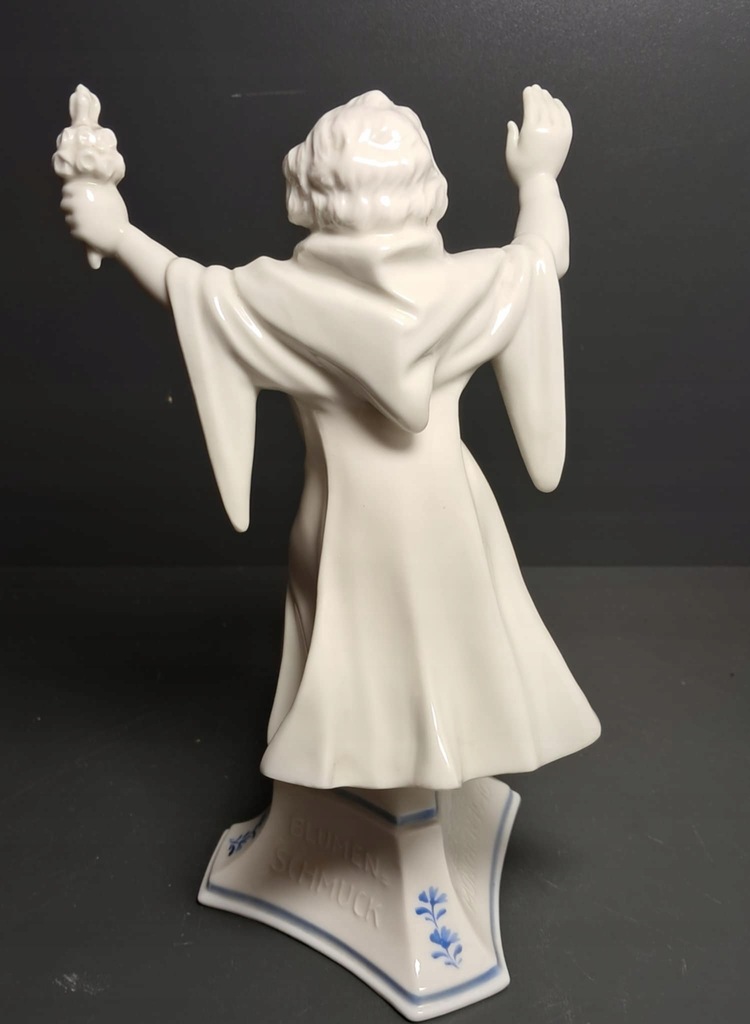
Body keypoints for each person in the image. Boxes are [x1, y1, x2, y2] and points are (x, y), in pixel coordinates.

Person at [60, 87, 600, 791]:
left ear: (310, 190)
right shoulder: (478, 283)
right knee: (449, 652)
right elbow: (542, 254)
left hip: (345, 520)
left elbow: (187, 288)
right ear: (427, 188)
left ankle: (372, 800)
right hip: (453, 519)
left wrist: (117, 230)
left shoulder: (278, 300)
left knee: (349, 659)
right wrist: (538, 177)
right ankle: (411, 793)